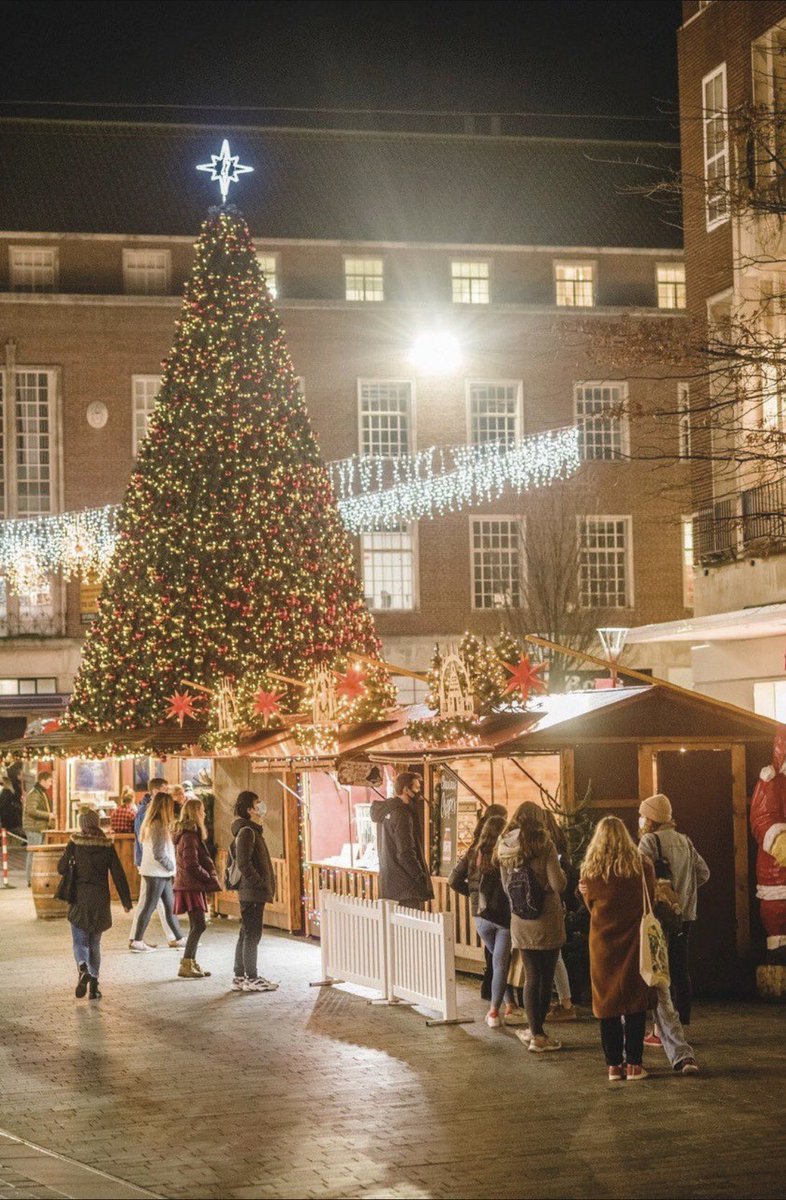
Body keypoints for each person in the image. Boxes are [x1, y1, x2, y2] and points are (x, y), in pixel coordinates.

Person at [580, 816, 656, 1082]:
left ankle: (614, 1066)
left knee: (607, 1002)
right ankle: (634, 1064)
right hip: (635, 939)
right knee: (635, 1001)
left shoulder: (591, 870)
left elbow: (591, 905)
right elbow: (651, 900)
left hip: (602, 943)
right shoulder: (642, 865)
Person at [496, 802, 566, 1053]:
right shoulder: (545, 844)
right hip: (547, 917)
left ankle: (534, 1031)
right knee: (545, 978)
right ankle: (539, 1034)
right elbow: (558, 884)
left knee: (531, 976)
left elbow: (506, 888)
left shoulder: (505, 845)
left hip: (520, 919)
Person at [638, 792, 710, 1031]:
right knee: (679, 966)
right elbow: (704, 873)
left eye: (643, 815)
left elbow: (642, 877)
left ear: (651, 818)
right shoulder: (686, 841)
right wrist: (685, 892)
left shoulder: (649, 842)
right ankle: (682, 1022)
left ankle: (662, 1028)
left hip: (659, 915)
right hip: (685, 914)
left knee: (659, 968)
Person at [449, 807, 525, 1028]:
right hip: (503, 917)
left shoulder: (474, 852)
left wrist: (473, 897)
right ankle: (493, 1012)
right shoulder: (506, 853)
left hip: (480, 918)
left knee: (497, 960)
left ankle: (509, 1003)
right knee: (501, 964)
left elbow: (453, 880)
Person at [58, 808, 132, 999]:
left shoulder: (74, 843)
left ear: (81, 824)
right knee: (95, 944)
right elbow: (118, 874)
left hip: (79, 899)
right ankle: (94, 988)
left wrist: (69, 855)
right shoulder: (107, 845)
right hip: (100, 899)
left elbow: (61, 868)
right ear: (97, 823)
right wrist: (126, 901)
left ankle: (82, 967)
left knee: (79, 942)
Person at [230, 790, 278, 993]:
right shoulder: (248, 832)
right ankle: (251, 977)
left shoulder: (251, 830)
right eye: (258, 803)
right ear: (250, 809)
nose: (261, 806)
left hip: (251, 891)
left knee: (246, 933)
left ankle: (240, 976)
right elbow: (244, 863)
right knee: (252, 934)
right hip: (252, 892)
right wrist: (259, 883)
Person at [129, 778, 183, 950]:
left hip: (158, 871)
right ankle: (137, 940)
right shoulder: (158, 824)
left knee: (169, 906)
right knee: (149, 906)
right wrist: (171, 866)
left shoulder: (154, 822)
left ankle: (179, 938)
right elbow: (159, 852)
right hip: (156, 871)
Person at [172, 795, 221, 978]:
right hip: (190, 886)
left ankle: (190, 962)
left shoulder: (189, 834)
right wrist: (207, 876)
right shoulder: (190, 836)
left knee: (197, 925)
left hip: (188, 884)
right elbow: (191, 863)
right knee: (199, 925)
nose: (205, 813)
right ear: (196, 813)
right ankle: (186, 964)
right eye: (202, 811)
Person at [370, 772, 434, 910]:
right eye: (416, 788)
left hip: (388, 886)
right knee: (414, 930)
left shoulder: (385, 812)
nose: (419, 792)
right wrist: (420, 876)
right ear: (406, 790)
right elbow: (405, 853)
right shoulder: (402, 814)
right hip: (407, 889)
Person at [749, 728, 786, 965]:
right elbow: (762, 818)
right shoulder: (770, 781)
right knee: (776, 910)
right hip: (777, 865)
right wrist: (780, 840)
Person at [23, 770, 55, 886]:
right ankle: (30, 880)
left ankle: (33, 878)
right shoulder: (35, 793)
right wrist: (48, 815)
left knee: (36, 853)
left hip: (38, 827)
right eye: (50, 781)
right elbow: (31, 810)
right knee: (33, 853)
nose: (51, 784)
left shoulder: (40, 792)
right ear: (43, 781)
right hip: (34, 828)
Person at [0, 770, 23, 836]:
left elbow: (3, 807)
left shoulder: (4, 794)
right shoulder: (10, 793)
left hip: (7, 820)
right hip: (13, 821)